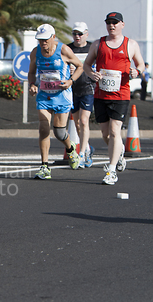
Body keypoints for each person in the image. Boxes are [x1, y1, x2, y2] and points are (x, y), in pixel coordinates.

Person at [84, 12, 145, 185]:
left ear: (122, 24)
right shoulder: (98, 43)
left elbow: (140, 64)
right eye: (109, 23)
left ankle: (111, 170)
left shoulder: (130, 44)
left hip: (121, 94)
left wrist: (136, 71)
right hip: (101, 94)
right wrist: (92, 74)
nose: (112, 25)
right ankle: (119, 154)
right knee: (105, 134)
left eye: (115, 23)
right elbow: (87, 64)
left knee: (114, 131)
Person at [28, 24, 83, 180]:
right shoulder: (35, 52)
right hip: (44, 95)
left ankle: (71, 149)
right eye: (40, 40)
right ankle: (45, 166)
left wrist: (71, 81)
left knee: (59, 132)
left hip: (62, 95)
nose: (43, 43)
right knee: (43, 128)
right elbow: (31, 72)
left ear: (53, 37)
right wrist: (32, 85)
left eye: (45, 39)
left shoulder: (64, 50)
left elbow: (80, 66)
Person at [67, 22, 95, 169]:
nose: (77, 37)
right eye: (74, 34)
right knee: (77, 123)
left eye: (80, 34)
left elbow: (100, 65)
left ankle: (82, 153)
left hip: (88, 88)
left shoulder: (92, 48)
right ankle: (88, 148)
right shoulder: (68, 48)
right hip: (72, 89)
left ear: (86, 34)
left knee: (84, 121)